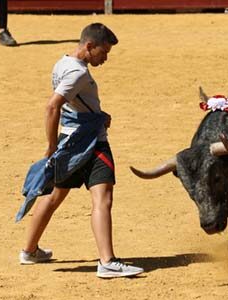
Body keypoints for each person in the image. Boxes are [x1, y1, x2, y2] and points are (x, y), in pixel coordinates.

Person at [18, 23, 144, 278]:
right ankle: (107, 262)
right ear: (89, 46)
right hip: (90, 143)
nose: (105, 58)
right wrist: (50, 146)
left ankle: (29, 251)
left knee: (53, 196)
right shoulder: (78, 73)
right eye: (103, 52)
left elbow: (72, 104)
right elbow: (52, 107)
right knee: (103, 198)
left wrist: (96, 115)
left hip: (71, 142)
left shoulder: (61, 63)